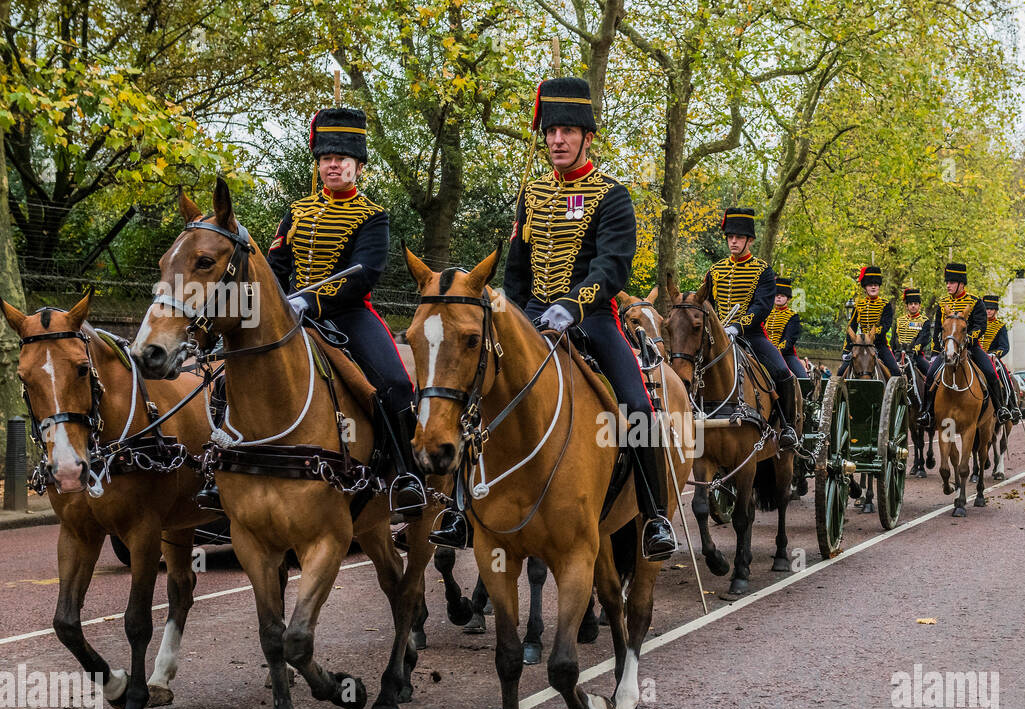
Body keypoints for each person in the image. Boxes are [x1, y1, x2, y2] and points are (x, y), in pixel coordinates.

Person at [432, 77, 676, 559]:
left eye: (567, 131)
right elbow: (516, 272)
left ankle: (655, 516)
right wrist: (519, 318)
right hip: (532, 320)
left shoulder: (612, 195)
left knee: (638, 408)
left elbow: (612, 266)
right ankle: (459, 508)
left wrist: (573, 304)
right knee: (473, 396)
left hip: (592, 320)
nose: (557, 140)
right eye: (550, 131)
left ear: (588, 136)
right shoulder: (532, 193)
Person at [193, 107, 425, 515]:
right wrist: (274, 306)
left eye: (340, 159)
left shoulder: (373, 216)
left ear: (358, 165)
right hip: (290, 315)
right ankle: (217, 472)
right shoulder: (296, 212)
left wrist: (310, 300)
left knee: (395, 384)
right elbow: (275, 267)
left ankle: (405, 475)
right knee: (228, 380)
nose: (332, 165)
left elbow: (365, 273)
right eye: (325, 159)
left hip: (349, 315)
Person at [704, 207, 799, 450]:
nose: (733, 241)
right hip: (718, 338)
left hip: (751, 336)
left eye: (738, 237)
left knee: (781, 372)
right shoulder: (715, 271)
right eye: (729, 237)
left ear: (750, 240)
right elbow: (705, 303)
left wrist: (737, 326)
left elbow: (762, 306)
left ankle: (787, 427)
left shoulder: (763, 271)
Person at [919, 262, 1012, 428]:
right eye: (947, 282)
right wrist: (935, 351)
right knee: (931, 375)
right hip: (947, 349)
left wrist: (969, 338)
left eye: (952, 282)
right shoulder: (942, 303)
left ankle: (1001, 409)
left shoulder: (975, 302)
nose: (948, 285)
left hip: (970, 347)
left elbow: (980, 325)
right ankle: (927, 412)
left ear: (961, 284)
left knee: (991, 373)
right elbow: (938, 331)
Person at [979, 294, 1019, 422]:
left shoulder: (1000, 326)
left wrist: (995, 354)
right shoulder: (977, 324)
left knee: (1004, 376)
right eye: (986, 308)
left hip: (992, 358)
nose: (988, 311)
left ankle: (1011, 406)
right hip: (976, 355)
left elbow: (1004, 346)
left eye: (991, 309)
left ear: (995, 310)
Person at [888, 286, 930, 409]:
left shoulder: (924, 321)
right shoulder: (900, 320)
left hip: (915, 357)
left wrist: (914, 350)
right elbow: (893, 339)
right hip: (898, 355)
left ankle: (927, 408)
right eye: (910, 303)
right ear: (906, 306)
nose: (913, 306)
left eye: (916, 303)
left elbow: (924, 338)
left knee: (931, 376)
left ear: (919, 306)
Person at [766, 277, 808, 380]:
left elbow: (789, 339)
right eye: (776, 295)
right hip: (765, 352)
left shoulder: (793, 316)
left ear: (788, 299)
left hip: (785, 354)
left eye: (782, 295)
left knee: (803, 378)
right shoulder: (766, 314)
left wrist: (776, 350)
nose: (779, 297)